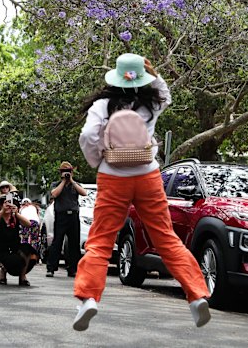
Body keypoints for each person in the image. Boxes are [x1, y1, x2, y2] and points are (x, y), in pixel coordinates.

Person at [74, 53, 210, 331]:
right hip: (148, 175)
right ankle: (197, 295)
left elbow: (88, 136)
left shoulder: (103, 105)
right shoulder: (151, 103)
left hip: (113, 177)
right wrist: (154, 72)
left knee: (100, 241)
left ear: (115, 78)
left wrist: (98, 160)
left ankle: (88, 298)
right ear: (142, 76)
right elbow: (165, 93)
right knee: (165, 237)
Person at [46, 161, 87, 278]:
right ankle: (51, 268)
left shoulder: (76, 184)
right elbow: (54, 194)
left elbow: (84, 193)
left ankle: (73, 269)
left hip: (73, 216)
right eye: (64, 172)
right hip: (61, 216)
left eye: (68, 171)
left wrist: (72, 181)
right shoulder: (56, 184)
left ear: (72, 172)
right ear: (60, 173)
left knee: (74, 244)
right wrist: (64, 181)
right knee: (57, 242)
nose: (66, 174)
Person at [0, 188, 39, 286]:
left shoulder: (15, 217)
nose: (8, 206)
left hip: (14, 248)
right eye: (5, 203)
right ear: (0, 206)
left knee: (30, 251)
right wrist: (2, 211)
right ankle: (3, 272)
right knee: (13, 262)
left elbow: (28, 224)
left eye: (9, 203)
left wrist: (16, 213)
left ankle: (22, 277)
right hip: (0, 250)